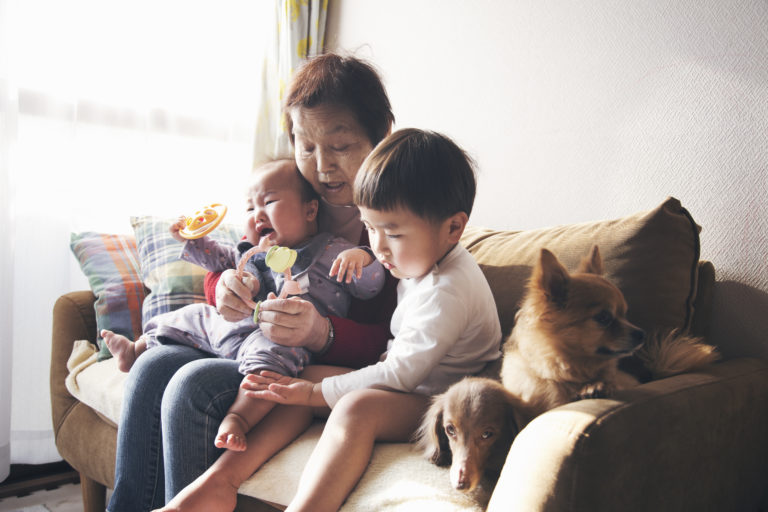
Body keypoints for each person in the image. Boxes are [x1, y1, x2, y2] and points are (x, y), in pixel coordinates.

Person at [107, 52, 398, 512]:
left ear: (381, 133)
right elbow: (243, 259)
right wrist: (222, 286)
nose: (321, 167)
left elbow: (396, 340)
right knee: (150, 366)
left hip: (296, 362)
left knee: (193, 386)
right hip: (244, 336)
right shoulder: (292, 193)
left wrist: (322, 333)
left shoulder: (394, 221)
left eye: (340, 147)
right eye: (306, 146)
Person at [237, 128, 502, 512]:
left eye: (391, 233)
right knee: (297, 377)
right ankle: (226, 475)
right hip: (411, 382)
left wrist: (316, 394)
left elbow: (400, 376)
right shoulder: (419, 259)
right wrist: (310, 386)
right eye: (370, 228)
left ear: (454, 228)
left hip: (440, 401)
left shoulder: (447, 291)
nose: (377, 246)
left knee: (353, 407)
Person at [102, 159, 384, 452]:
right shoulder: (251, 250)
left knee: (275, 359)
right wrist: (196, 240)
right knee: (192, 315)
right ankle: (138, 348)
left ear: (310, 210)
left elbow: (372, 286)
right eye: (250, 208)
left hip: (279, 338)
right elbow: (217, 260)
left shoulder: (329, 250)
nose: (257, 215)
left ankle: (239, 417)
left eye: (270, 202)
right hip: (234, 328)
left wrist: (362, 258)